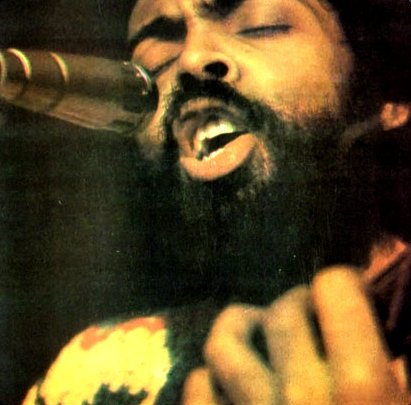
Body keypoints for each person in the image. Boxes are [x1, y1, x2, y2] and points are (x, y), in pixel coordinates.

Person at [22, 0, 411, 403]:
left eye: (260, 26)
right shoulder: (94, 374)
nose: (191, 59)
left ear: (388, 97)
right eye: (156, 56)